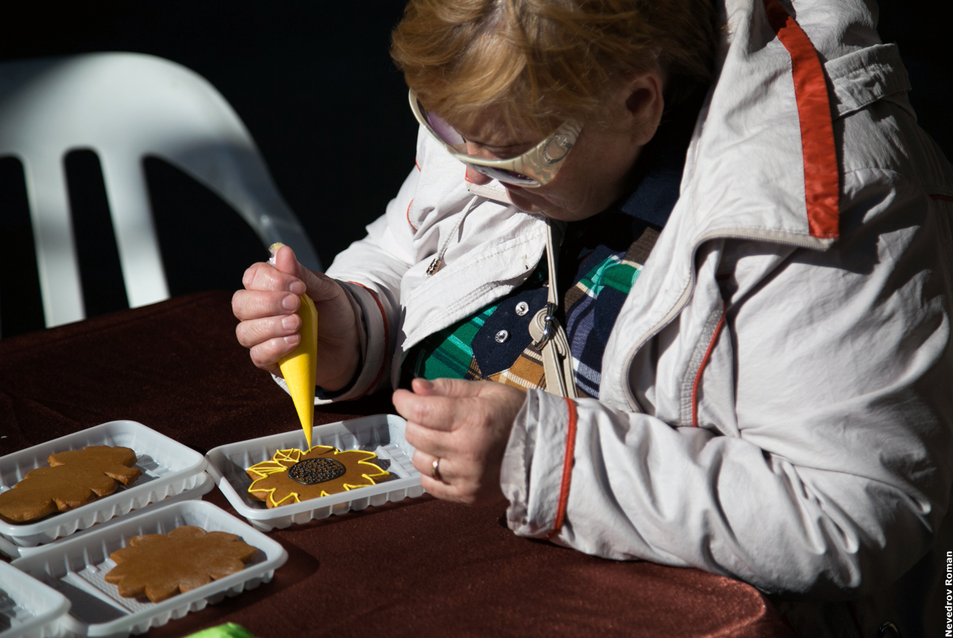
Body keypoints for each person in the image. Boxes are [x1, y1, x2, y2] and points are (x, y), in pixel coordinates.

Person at [231, 0, 953, 635]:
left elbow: (857, 511)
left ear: (638, 104)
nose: (472, 176)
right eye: (439, 125)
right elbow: (405, 251)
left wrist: (545, 459)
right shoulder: (499, 110)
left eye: (514, 159)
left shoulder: (814, 204)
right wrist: (356, 322)